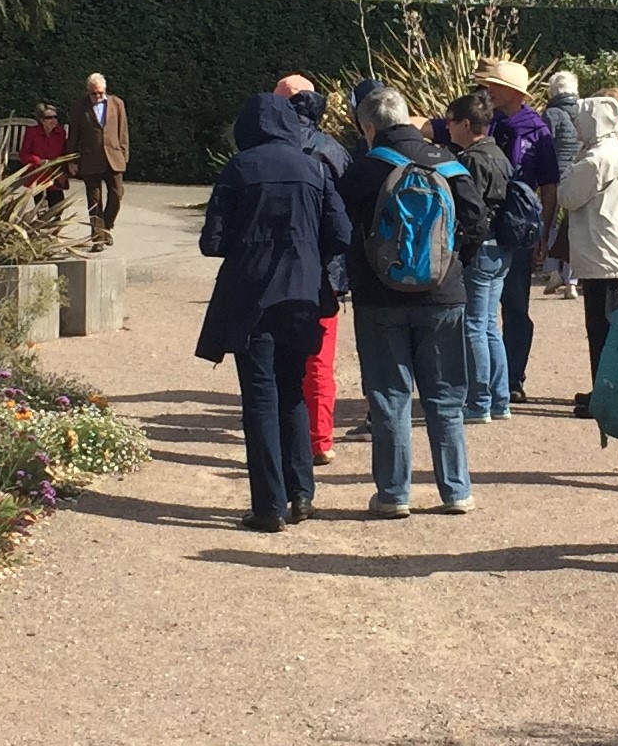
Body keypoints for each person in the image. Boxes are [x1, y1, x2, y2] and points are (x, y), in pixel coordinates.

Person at [197, 90, 353, 533]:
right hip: (302, 294)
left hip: (250, 295)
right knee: (293, 390)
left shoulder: (240, 168)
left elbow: (212, 242)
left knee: (260, 397)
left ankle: (268, 506)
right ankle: (301, 494)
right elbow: (341, 234)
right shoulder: (313, 167)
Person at [342, 85, 485, 517]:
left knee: (389, 396)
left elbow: (338, 225)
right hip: (443, 295)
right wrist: (451, 264)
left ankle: (393, 494)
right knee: (445, 396)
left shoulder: (365, 169)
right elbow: (477, 222)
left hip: (379, 297)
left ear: (369, 127)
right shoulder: (449, 164)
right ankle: (456, 490)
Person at [276, 73, 351, 464]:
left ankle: (283, 439)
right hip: (327, 269)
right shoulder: (335, 150)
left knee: (277, 358)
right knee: (320, 358)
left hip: (281, 266)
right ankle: (320, 439)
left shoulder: (272, 149)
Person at [470, 58, 554, 403]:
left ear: (513, 92)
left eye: (494, 85)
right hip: (481, 224)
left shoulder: (538, 131)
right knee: (478, 307)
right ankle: (482, 380)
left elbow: (549, 185)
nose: (487, 90)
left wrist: (543, 233)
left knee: (515, 305)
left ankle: (513, 378)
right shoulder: (481, 121)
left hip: (518, 226)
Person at [556, 94, 618, 412]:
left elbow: (567, 196)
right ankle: (605, 392)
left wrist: (568, 170)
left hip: (599, 254)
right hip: (612, 250)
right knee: (610, 328)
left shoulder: (595, 160)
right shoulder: (617, 152)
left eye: (580, 119)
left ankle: (604, 398)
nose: (576, 125)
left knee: (600, 330)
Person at [440, 89, 518, 421]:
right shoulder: (499, 153)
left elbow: (468, 208)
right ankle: (499, 400)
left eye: (451, 121)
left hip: (481, 247)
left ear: (466, 124)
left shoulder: (471, 159)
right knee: (488, 325)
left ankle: (479, 401)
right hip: (501, 247)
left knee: (473, 325)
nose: (447, 126)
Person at [72, 72, 131, 248]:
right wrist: (71, 159)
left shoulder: (117, 103)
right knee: (94, 199)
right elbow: (74, 134)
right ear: (88, 91)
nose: (97, 96)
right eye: (94, 93)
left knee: (117, 194)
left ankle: (106, 226)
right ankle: (98, 237)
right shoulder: (79, 107)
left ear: (105, 90)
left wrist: (124, 154)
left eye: (100, 93)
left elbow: (123, 131)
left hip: (114, 156)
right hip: (90, 158)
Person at [538, 70, 582, 293]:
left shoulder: (552, 113)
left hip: (555, 174)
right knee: (574, 223)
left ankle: (553, 271)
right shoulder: (583, 109)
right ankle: (572, 280)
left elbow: (544, 145)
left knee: (551, 221)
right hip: (579, 171)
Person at [17, 101, 72, 234]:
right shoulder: (32, 132)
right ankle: (44, 233)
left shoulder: (60, 133)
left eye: (55, 117)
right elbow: (24, 154)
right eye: (49, 118)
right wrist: (38, 161)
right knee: (41, 208)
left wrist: (65, 170)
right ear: (41, 120)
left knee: (58, 206)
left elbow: (64, 153)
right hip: (38, 174)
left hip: (55, 173)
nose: (53, 120)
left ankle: (54, 231)